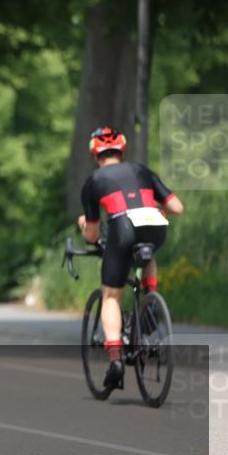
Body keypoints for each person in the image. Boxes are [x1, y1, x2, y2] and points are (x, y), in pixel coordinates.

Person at [77, 126, 183, 392]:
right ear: (121, 150)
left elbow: (91, 235)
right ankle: (149, 303)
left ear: (95, 154)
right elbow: (177, 208)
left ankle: (114, 360)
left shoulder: (93, 181)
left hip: (122, 227)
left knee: (111, 296)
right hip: (156, 225)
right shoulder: (141, 170)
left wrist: (84, 226)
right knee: (148, 253)